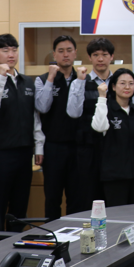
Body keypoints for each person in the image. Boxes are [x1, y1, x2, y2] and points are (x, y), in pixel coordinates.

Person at [0, 33, 44, 227]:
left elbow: (34, 117)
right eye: (5, 50)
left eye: (14, 50)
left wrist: (39, 147)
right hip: (0, 154)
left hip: (24, 152)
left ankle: (16, 242)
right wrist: (1, 77)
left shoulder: (27, 82)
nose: (11, 54)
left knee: (20, 205)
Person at [67, 37, 116, 212]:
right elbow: (73, 112)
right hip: (87, 147)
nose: (100, 59)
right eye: (95, 55)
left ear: (111, 57)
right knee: (88, 195)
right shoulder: (80, 81)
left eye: (104, 55)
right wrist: (80, 82)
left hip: (113, 146)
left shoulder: (120, 82)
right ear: (89, 58)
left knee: (113, 196)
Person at [89, 69, 134, 206]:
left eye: (131, 83)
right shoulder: (105, 109)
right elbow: (99, 127)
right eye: (122, 83)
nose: (127, 87)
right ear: (113, 86)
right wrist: (102, 97)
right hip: (114, 177)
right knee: (118, 215)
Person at [35, 35, 80, 220]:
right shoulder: (42, 79)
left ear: (75, 53)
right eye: (61, 51)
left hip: (78, 147)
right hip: (53, 147)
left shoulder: (82, 78)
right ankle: (52, 234)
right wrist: (51, 79)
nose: (65, 55)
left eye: (69, 50)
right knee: (52, 197)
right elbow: (42, 108)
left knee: (76, 197)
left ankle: (76, 234)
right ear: (54, 54)